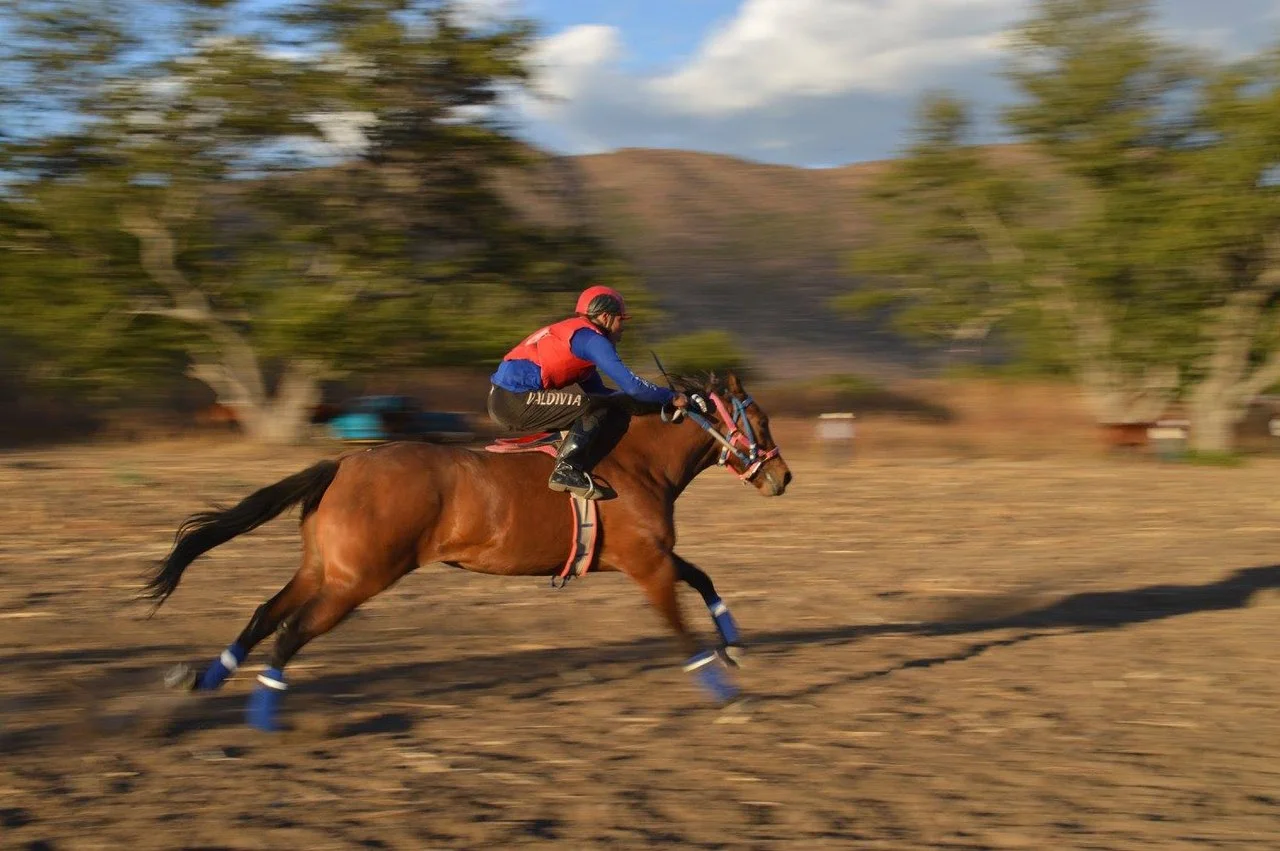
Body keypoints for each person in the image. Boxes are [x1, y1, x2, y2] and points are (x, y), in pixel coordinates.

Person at [488, 285, 689, 499]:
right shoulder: (593, 341)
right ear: (605, 317)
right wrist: (671, 397)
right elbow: (632, 386)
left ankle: (572, 462)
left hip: (507, 399)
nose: (622, 328)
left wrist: (652, 403)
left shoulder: (579, 338)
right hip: (514, 401)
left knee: (601, 405)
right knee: (597, 407)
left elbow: (604, 394)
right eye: (621, 320)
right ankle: (566, 470)